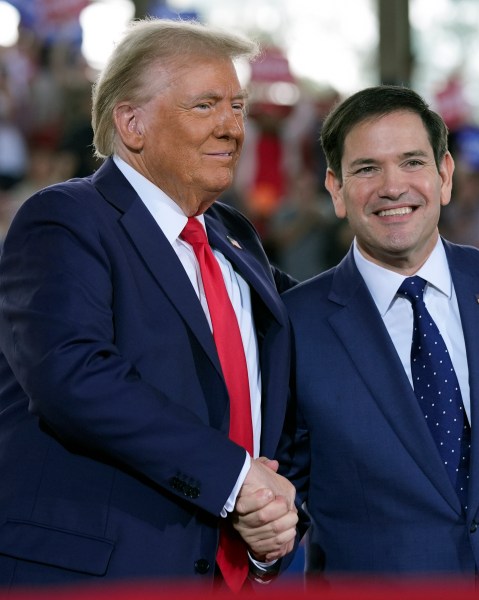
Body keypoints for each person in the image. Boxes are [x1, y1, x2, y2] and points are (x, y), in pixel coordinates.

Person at [234, 85, 479, 585]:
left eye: (411, 162)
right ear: (336, 189)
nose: (393, 186)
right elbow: (283, 501)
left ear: (444, 175)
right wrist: (263, 547)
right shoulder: (294, 324)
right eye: (366, 169)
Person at [0, 19, 297, 591]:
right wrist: (237, 479)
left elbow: (314, 328)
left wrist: (273, 523)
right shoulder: (66, 219)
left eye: (237, 106)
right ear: (132, 124)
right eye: (205, 105)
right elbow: (74, 376)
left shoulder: (233, 237)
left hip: (218, 575)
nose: (232, 127)